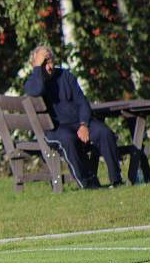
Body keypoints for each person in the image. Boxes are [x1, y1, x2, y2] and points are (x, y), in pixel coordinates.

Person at [24, 45, 122, 188]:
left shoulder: (66, 76)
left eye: (50, 61)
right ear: (35, 65)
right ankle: (87, 184)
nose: (49, 66)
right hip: (55, 129)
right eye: (44, 63)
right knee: (68, 140)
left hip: (78, 123)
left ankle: (116, 180)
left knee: (104, 132)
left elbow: (82, 102)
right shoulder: (32, 82)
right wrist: (38, 67)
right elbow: (37, 90)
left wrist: (84, 125)